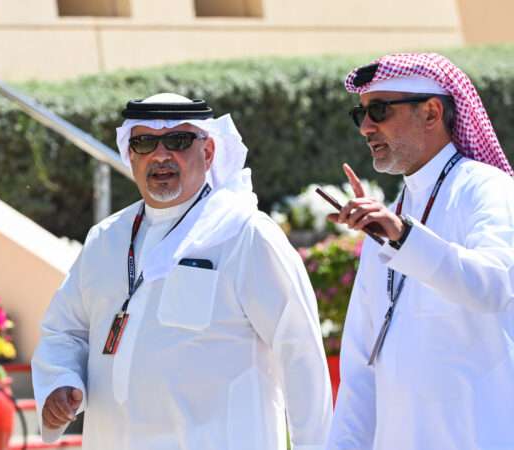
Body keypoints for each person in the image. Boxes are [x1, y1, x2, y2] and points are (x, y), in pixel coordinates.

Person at [32, 93, 332, 450]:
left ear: (207, 153)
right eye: (144, 142)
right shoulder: (106, 239)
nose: (161, 155)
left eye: (178, 141)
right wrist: (61, 382)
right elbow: (65, 330)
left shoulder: (244, 234)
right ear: (130, 155)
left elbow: (300, 354)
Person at [326, 53, 514, 450]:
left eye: (378, 111)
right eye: (359, 114)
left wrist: (403, 237)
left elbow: (496, 285)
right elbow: (362, 362)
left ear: (431, 112)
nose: (365, 128)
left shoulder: (487, 189)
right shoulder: (395, 211)